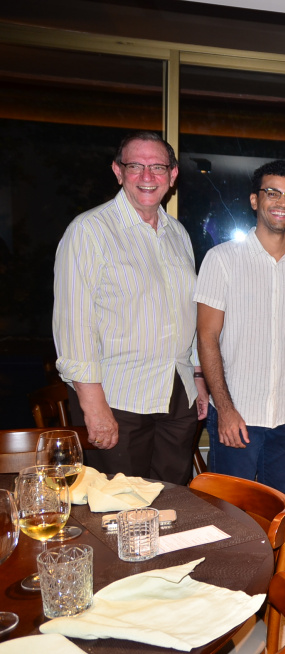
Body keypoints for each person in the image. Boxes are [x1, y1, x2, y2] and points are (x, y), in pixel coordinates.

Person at [53, 131, 206, 485]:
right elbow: (74, 324)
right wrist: (94, 406)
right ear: (118, 171)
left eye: (157, 167)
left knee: (173, 500)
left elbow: (189, 311)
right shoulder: (89, 231)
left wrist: (197, 377)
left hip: (176, 393)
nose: (147, 176)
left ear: (172, 174)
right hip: (118, 398)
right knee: (119, 504)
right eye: (135, 166)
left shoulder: (178, 234)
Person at [195, 160, 285, 498]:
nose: (282, 202)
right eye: (272, 193)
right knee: (229, 513)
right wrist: (225, 409)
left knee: (276, 510)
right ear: (255, 200)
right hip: (238, 414)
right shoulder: (222, 260)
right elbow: (207, 337)